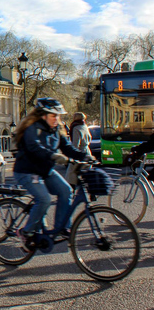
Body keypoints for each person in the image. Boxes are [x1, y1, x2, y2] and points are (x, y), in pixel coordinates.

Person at [13, 98, 91, 247]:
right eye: (54, 115)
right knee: (44, 199)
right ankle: (26, 232)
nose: (57, 119)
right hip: (27, 171)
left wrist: (84, 156)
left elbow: (68, 148)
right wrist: (53, 156)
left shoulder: (56, 129)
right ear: (43, 115)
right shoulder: (32, 128)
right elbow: (35, 148)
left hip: (45, 170)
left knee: (66, 191)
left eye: (58, 116)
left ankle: (62, 227)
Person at [66, 112, 92, 186]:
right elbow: (89, 138)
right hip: (87, 151)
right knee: (86, 174)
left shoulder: (75, 127)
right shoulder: (84, 126)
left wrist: (72, 154)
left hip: (79, 152)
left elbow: (76, 144)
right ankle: (91, 195)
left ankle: (72, 192)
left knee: (71, 173)